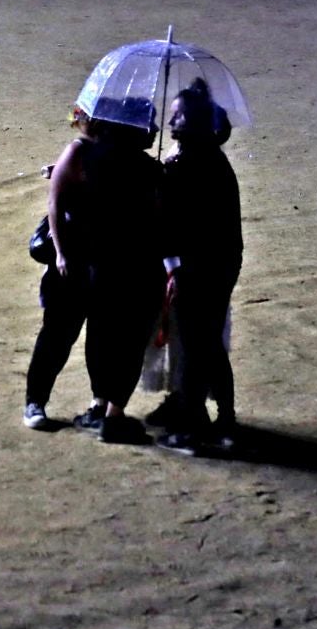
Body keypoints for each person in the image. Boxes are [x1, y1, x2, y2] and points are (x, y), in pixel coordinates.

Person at [31, 99, 164, 444]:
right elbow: (57, 203)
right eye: (148, 124)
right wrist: (62, 254)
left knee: (99, 338)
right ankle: (57, 405)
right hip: (94, 267)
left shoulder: (114, 161)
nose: (154, 130)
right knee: (71, 336)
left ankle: (99, 407)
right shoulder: (114, 161)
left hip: (99, 267)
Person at [155, 80, 244, 453]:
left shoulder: (184, 166)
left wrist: (175, 269)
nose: (170, 121)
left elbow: (168, 227)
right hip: (221, 263)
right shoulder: (212, 159)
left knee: (195, 345)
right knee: (208, 342)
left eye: (177, 115)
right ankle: (225, 419)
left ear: (193, 121)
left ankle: (191, 428)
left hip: (198, 268)